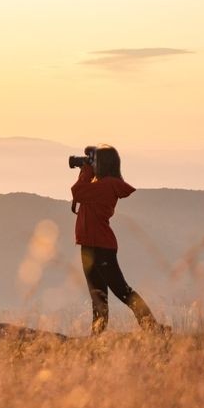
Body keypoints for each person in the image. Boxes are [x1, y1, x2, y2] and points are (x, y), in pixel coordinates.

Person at [71, 143, 168, 335]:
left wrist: (86, 170)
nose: (91, 164)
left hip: (100, 247)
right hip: (90, 246)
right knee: (98, 296)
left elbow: (77, 192)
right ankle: (97, 336)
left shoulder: (107, 186)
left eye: (95, 161)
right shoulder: (99, 185)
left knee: (122, 291)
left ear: (103, 164)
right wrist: (87, 167)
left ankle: (154, 329)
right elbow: (81, 192)